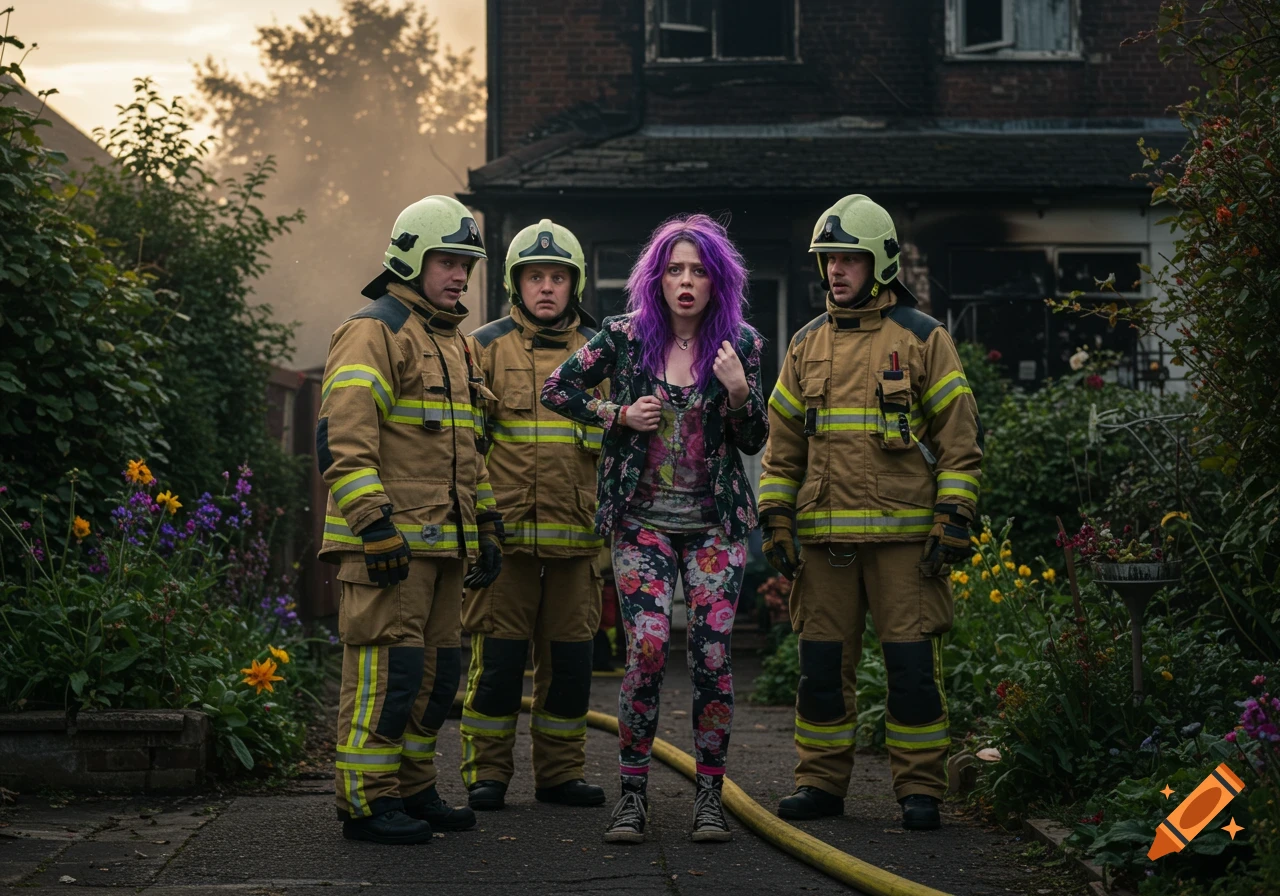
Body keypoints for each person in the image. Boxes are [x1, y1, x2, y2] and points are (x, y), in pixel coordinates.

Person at [757, 194, 983, 831]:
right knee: (821, 673)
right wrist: (776, 519)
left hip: (905, 544)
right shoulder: (806, 344)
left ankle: (920, 790)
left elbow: (959, 440)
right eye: (828, 259)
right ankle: (820, 785)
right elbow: (782, 446)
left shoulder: (922, 338)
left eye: (848, 258)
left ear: (880, 261)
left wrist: (955, 516)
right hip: (825, 541)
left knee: (912, 675)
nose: (835, 270)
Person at [541, 213, 769, 844]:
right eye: (675, 270)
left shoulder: (741, 345)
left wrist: (740, 393)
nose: (686, 281)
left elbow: (755, 438)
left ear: (717, 279)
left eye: (699, 270)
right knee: (644, 649)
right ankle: (633, 795)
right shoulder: (621, 337)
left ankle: (710, 797)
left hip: (715, 526)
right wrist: (615, 412)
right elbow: (555, 388)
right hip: (641, 523)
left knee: (713, 658)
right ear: (657, 279)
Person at [316, 194, 505, 845]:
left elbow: (467, 451)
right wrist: (373, 525)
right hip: (387, 548)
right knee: (386, 677)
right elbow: (343, 440)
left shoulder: (452, 346)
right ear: (410, 258)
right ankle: (366, 801)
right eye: (448, 261)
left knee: (435, 679)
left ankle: (414, 788)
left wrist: (485, 523)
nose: (459, 276)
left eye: (467, 265)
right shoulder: (375, 331)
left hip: (442, 548)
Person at [459, 219, 608, 812]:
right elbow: (465, 443)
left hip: (579, 545)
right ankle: (487, 776)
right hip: (506, 543)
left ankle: (560, 775)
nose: (546, 288)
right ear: (513, 284)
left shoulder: (603, 353)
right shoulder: (482, 347)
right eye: (534, 276)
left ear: (575, 284)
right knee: (496, 667)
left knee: (570, 669)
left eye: (557, 277)